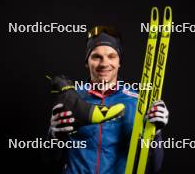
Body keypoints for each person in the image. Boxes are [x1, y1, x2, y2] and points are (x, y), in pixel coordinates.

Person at [45, 26, 169, 174]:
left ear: (119, 62)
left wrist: (155, 132)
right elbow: (48, 161)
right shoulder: (72, 99)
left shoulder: (137, 102)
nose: (104, 63)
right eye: (96, 57)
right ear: (87, 62)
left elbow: (155, 166)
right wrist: (53, 136)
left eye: (111, 56)